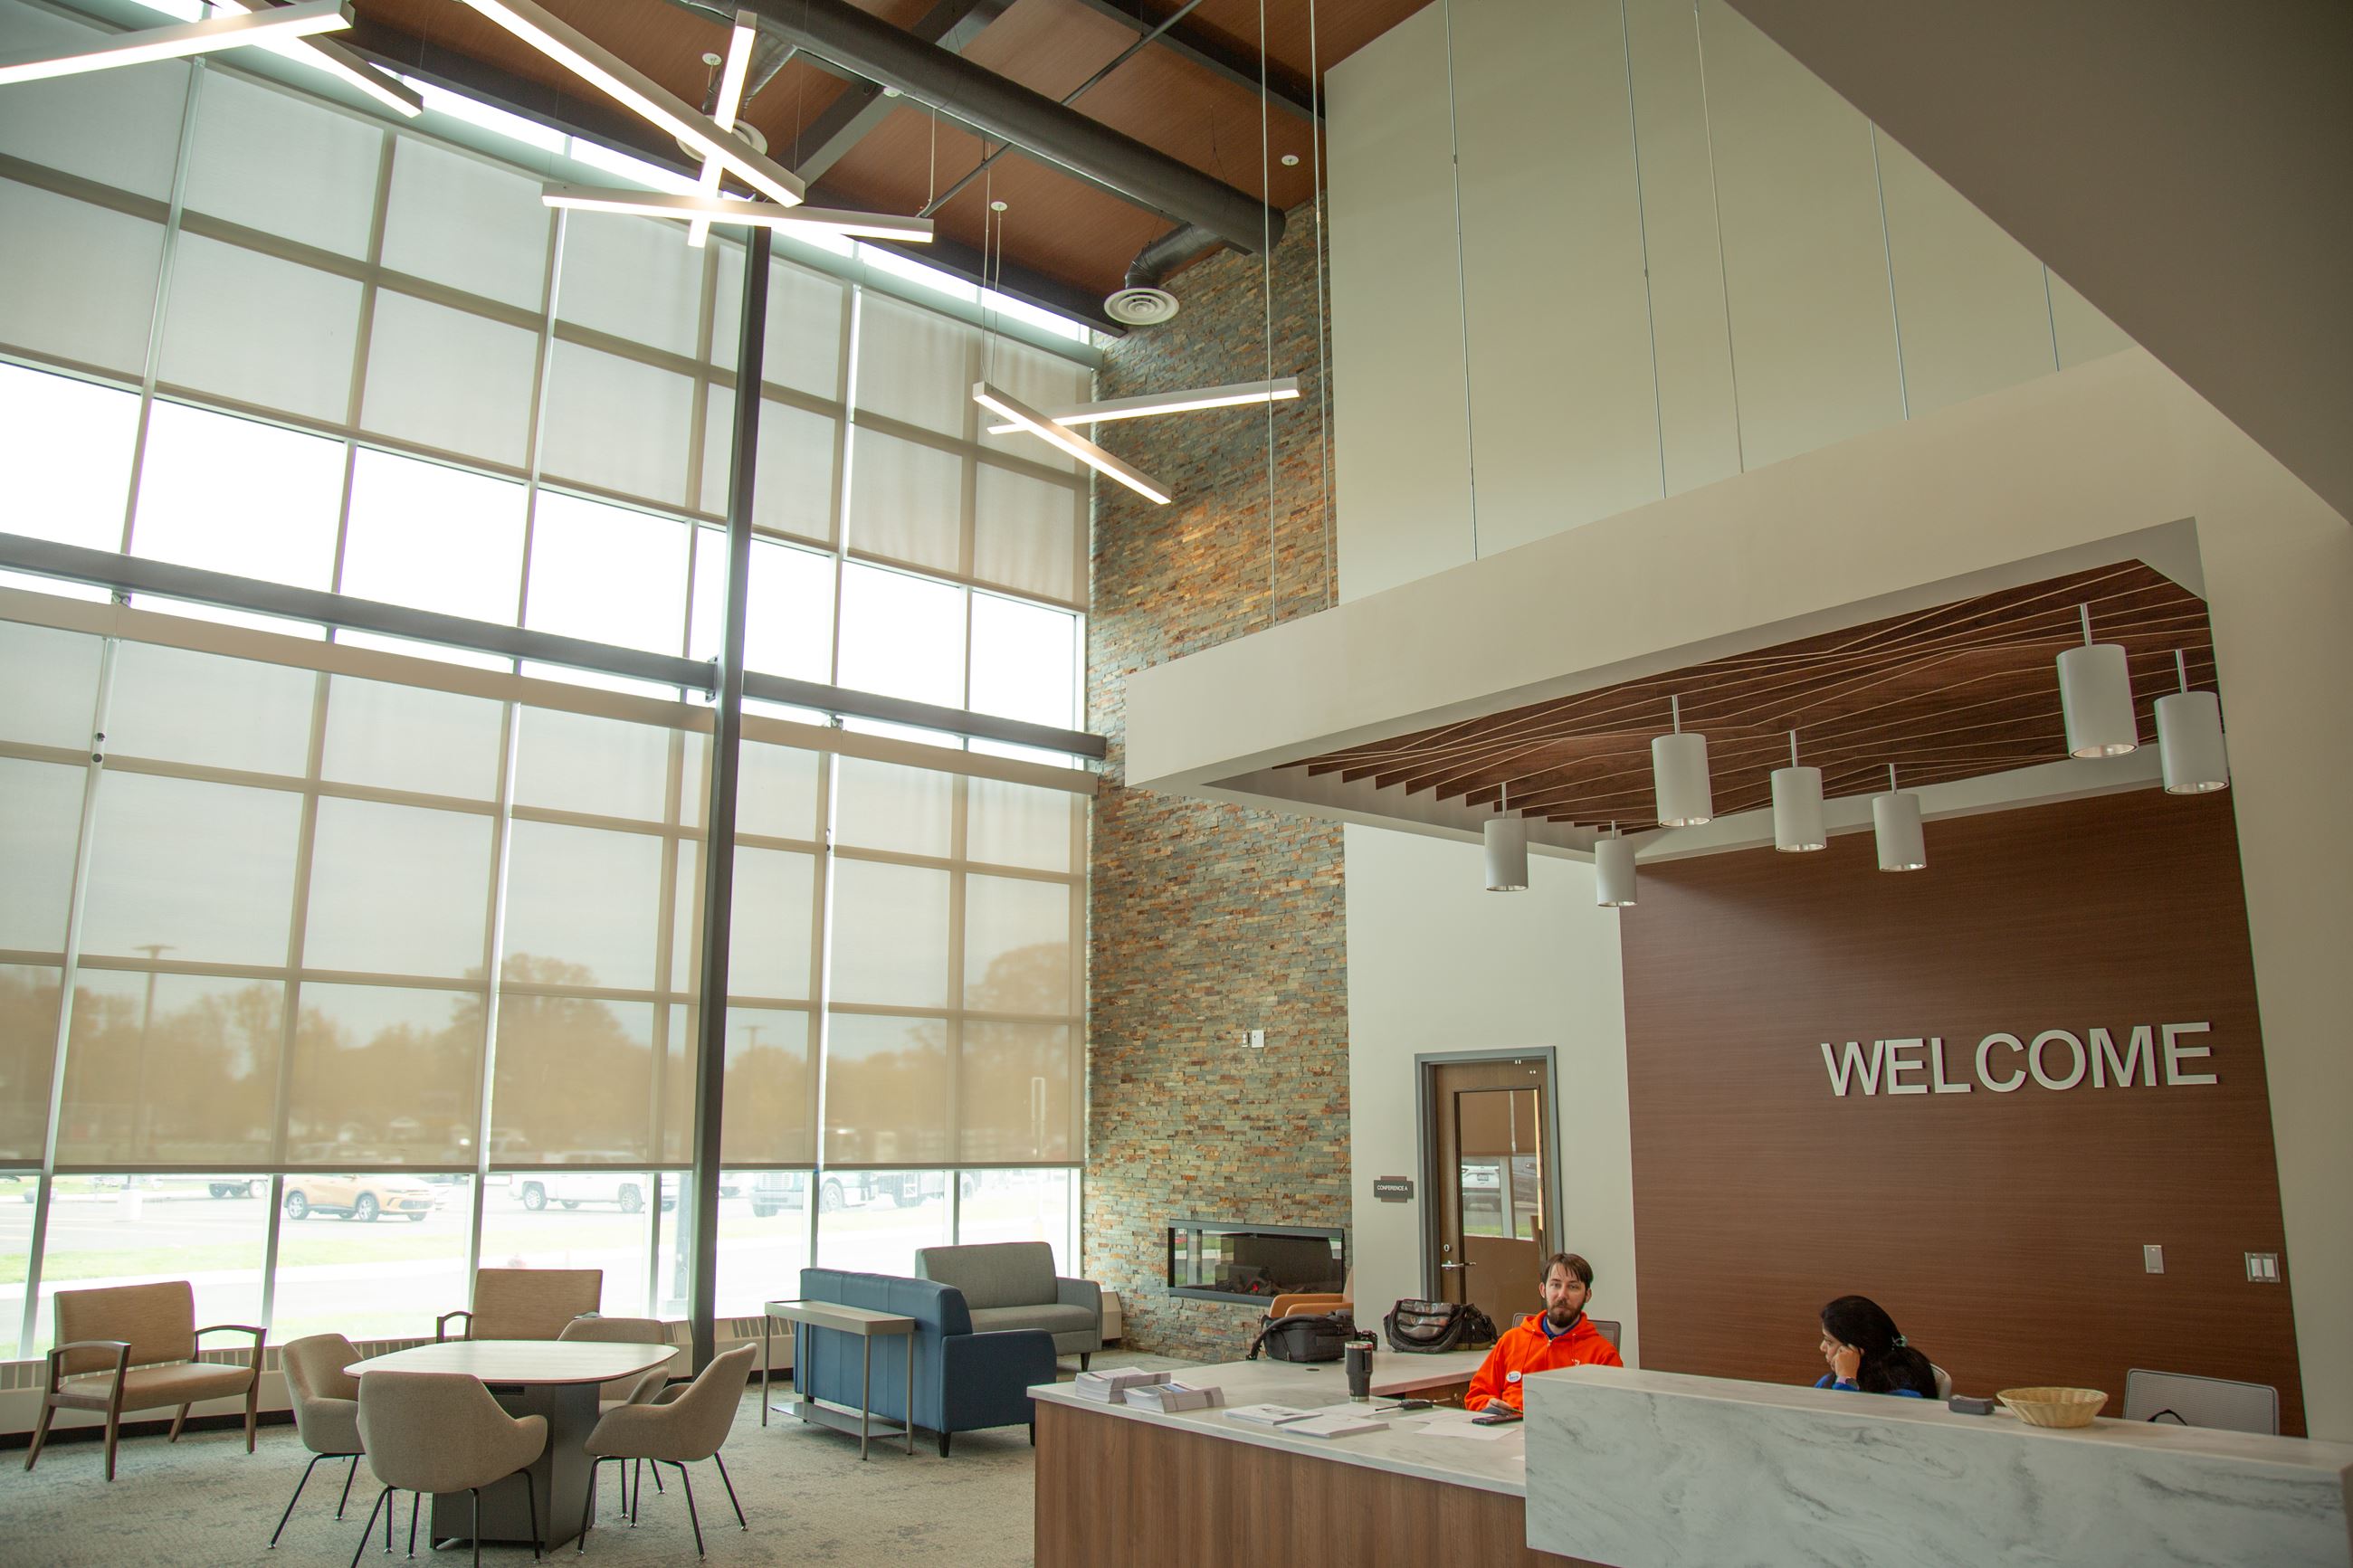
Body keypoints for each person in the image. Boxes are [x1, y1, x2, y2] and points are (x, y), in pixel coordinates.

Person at [1462, 1252, 1622, 1413]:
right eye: (1555, 1285)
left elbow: (1613, 1412)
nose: (1562, 1295)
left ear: (1587, 1295)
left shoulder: (1603, 1354)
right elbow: (1476, 1395)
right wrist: (1489, 1405)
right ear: (1543, 1290)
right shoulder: (1511, 1341)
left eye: (1573, 1287)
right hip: (1507, 1427)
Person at [1814, 1295, 1938, 1398]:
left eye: (1829, 1342)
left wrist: (1846, 1379)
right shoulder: (1828, 1381)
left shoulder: (1904, 1391)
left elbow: (1842, 1423)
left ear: (1855, 1350)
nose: (1822, 1347)